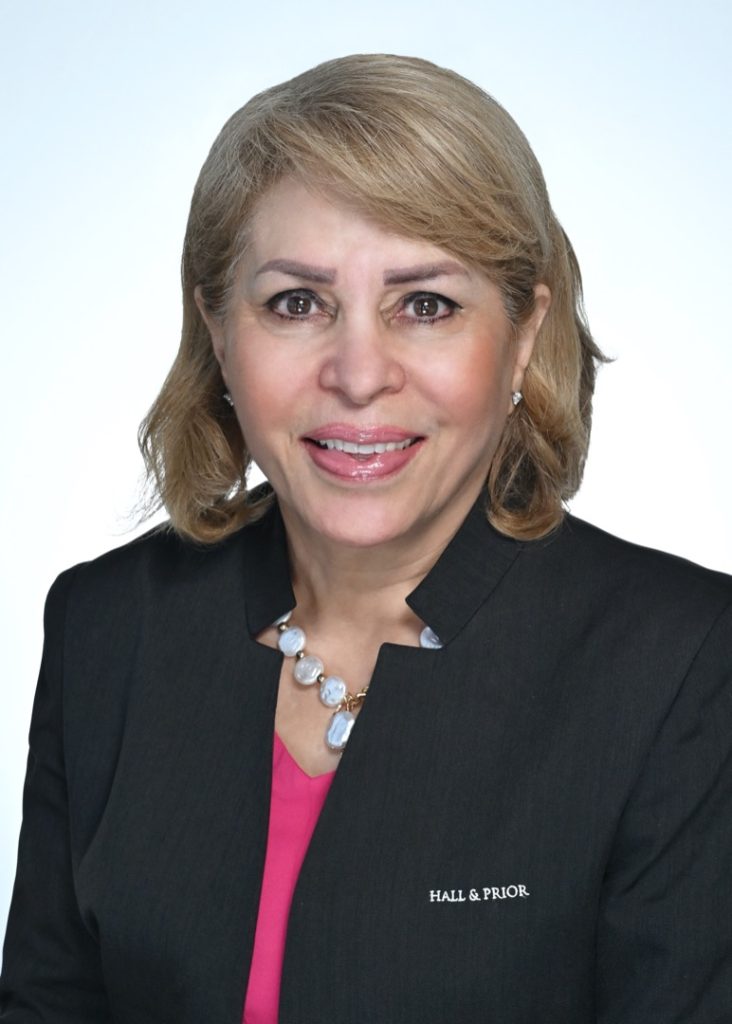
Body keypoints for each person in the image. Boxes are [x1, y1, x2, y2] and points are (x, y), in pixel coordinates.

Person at [1, 53, 730, 1024]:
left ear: (522, 335)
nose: (357, 373)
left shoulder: (681, 661)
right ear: (218, 330)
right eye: (296, 303)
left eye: (425, 305)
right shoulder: (107, 626)